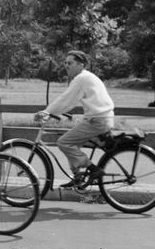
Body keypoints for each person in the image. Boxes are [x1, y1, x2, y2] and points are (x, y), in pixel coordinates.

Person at [34, 50, 114, 190]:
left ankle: (93, 168)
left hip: (98, 120)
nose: (66, 65)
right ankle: (78, 179)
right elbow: (70, 101)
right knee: (72, 143)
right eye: (65, 63)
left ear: (80, 65)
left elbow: (66, 99)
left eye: (70, 63)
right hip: (101, 119)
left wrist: (47, 111)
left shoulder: (81, 78)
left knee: (64, 142)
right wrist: (55, 111)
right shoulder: (86, 77)